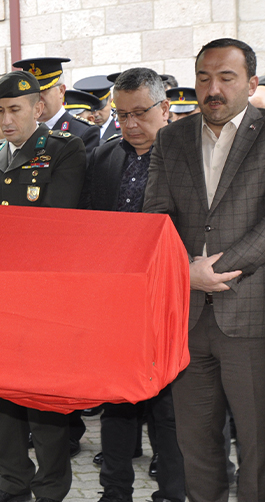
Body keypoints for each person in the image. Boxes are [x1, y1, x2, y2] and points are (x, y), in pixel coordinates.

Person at [142, 37, 265, 502]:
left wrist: (214, 269)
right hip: (187, 317)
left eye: (226, 77)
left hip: (251, 314)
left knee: (258, 445)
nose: (213, 88)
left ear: (250, 83)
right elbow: (156, 215)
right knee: (195, 444)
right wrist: (185, 272)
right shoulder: (171, 138)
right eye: (203, 78)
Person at [0, 71, 86, 502]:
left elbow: (58, 223)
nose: (5, 119)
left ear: (37, 109)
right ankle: (12, 482)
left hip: (44, 295)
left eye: (14, 110)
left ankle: (51, 486)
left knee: (44, 401)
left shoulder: (64, 149)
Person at [80, 68, 185, 502]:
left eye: (140, 113)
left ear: (165, 108)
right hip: (117, 304)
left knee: (169, 409)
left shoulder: (189, 158)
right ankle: (114, 492)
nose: (130, 124)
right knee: (117, 405)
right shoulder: (104, 157)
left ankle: (172, 493)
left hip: (171, 301)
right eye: (122, 115)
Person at [13, 57, 100, 154]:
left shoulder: (83, 132)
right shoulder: (20, 130)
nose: (36, 98)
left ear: (61, 91)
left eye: (43, 90)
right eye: (31, 93)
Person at [74, 76, 120, 142]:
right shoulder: (77, 130)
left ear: (111, 101)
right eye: (91, 109)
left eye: (101, 107)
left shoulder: (123, 129)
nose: (96, 114)